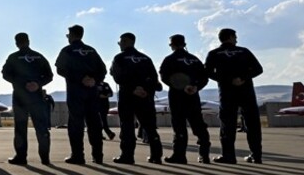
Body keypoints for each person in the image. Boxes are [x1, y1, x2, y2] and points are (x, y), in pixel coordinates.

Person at [205, 28, 264, 164]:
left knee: (227, 125)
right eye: (235, 37)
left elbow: (208, 72)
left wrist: (227, 80)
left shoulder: (214, 54)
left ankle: (229, 156)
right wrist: (242, 78)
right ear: (230, 37)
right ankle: (256, 155)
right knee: (252, 124)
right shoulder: (244, 51)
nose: (236, 39)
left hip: (227, 93)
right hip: (246, 92)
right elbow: (258, 69)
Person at [54, 24, 108, 165]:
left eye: (68, 35)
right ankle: (98, 156)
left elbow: (60, 69)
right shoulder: (91, 50)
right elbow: (103, 70)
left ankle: (78, 155)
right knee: (94, 124)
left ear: (71, 35)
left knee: (76, 124)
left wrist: (79, 78)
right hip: (92, 92)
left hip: (76, 92)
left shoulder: (68, 50)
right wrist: (93, 79)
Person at [110, 32, 163, 164]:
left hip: (127, 96)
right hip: (145, 97)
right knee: (150, 127)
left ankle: (127, 156)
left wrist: (133, 89)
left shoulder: (119, 58)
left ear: (126, 41)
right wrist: (145, 90)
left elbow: (118, 77)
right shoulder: (145, 58)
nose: (119, 45)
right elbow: (155, 79)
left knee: (127, 126)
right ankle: (156, 155)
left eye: (120, 42)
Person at [158, 33, 211, 164]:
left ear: (172, 45)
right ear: (184, 44)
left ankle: (179, 155)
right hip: (193, 96)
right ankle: (204, 155)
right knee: (199, 125)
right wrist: (195, 87)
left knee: (179, 126)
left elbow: (164, 77)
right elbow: (205, 77)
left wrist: (182, 87)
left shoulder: (170, 59)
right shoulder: (194, 59)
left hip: (177, 97)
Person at [1, 32, 53, 165]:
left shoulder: (13, 57)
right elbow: (49, 75)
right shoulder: (39, 57)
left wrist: (21, 84)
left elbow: (5, 74)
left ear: (16, 43)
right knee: (41, 128)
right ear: (28, 41)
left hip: (20, 96)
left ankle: (21, 156)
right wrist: (37, 84)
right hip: (37, 96)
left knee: (20, 128)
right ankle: (45, 157)